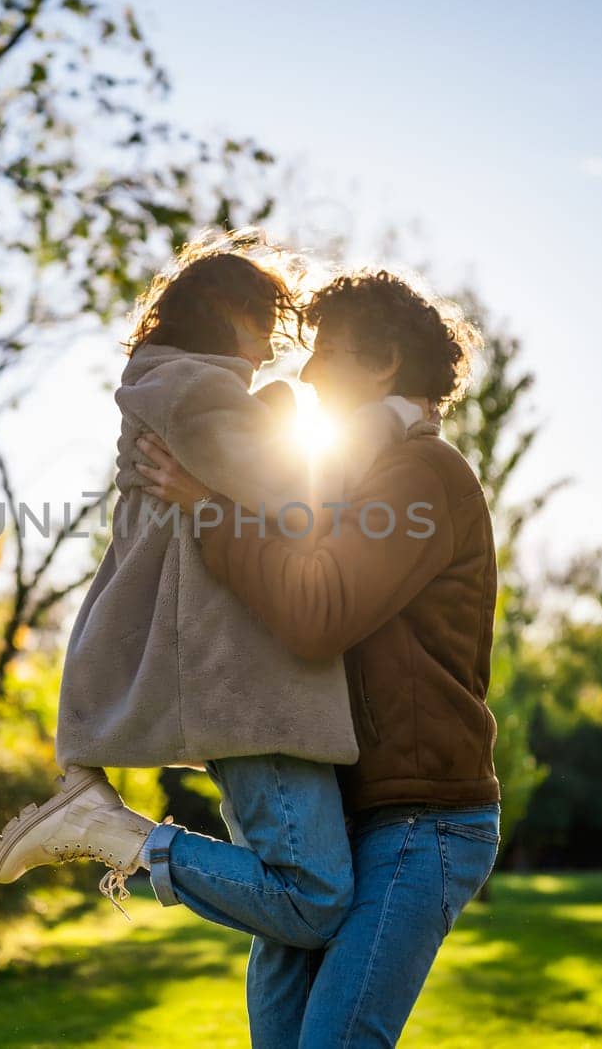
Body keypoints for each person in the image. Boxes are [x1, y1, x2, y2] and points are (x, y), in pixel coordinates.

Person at [0, 232, 406, 976]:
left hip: (234, 678)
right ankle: (124, 838)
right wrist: (386, 426)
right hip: (252, 680)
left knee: (280, 919)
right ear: (220, 308)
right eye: (265, 327)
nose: (270, 352)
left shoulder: (176, 390)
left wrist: (256, 429)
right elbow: (299, 497)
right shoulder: (195, 389)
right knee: (313, 897)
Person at [137, 269, 502, 1047]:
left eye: (328, 351)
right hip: (344, 818)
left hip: (424, 822)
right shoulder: (361, 475)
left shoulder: (420, 476)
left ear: (382, 365)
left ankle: (138, 846)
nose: (303, 373)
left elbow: (315, 612)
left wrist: (207, 507)